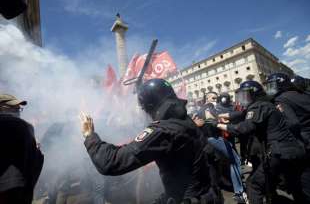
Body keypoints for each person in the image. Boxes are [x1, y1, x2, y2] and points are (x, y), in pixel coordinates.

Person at [79, 79, 223, 204]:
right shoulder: (185, 120)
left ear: (150, 107)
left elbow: (110, 163)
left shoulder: (162, 131)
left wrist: (90, 135)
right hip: (208, 195)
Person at [216, 81, 306, 204]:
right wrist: (222, 115)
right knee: (294, 184)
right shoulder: (264, 104)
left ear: (254, 93)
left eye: (245, 95)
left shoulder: (257, 106)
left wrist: (218, 125)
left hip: (279, 151)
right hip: (291, 149)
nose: (243, 99)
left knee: (253, 185)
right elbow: (242, 114)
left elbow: (243, 128)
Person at [193, 92, 247, 203]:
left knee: (215, 166)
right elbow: (212, 119)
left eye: (216, 98)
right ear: (206, 99)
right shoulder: (208, 109)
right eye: (213, 97)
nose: (215, 99)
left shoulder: (199, 111)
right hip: (215, 139)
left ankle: (219, 190)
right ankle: (239, 191)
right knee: (235, 161)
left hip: (207, 142)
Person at [265, 72, 310, 203]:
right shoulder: (303, 93)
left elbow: (292, 123)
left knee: (303, 184)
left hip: (303, 144)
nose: (269, 89)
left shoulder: (281, 99)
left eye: (271, 86)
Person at [0, 93, 44, 204]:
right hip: (20, 190)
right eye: (14, 108)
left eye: (19, 109)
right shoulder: (26, 127)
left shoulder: (26, 127)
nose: (18, 111)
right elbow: (37, 161)